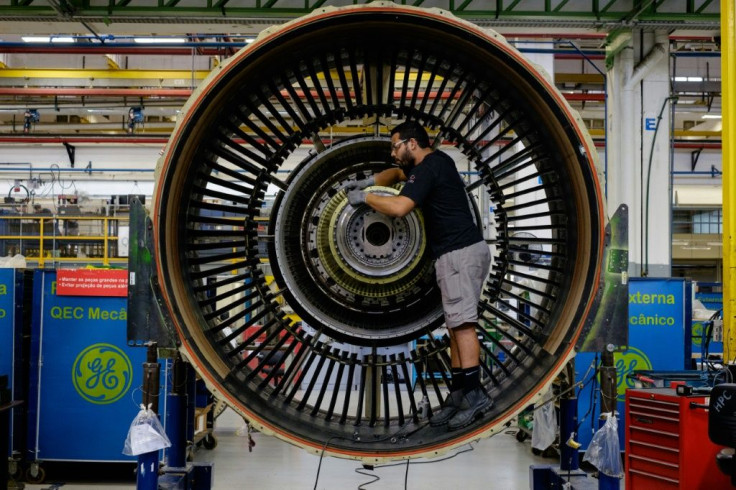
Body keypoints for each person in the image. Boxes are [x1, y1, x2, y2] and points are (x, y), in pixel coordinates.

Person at [346, 120, 492, 431]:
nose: (393, 153)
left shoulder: (429, 168)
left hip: (460, 254)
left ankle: (475, 396)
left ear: (412, 143)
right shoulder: (432, 165)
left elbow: (400, 207)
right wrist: (369, 182)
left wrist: (365, 198)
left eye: (395, 146)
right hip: (455, 255)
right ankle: (458, 395)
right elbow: (397, 175)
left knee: (463, 326)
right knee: (455, 326)